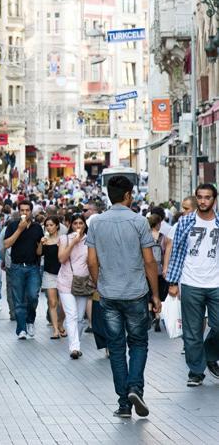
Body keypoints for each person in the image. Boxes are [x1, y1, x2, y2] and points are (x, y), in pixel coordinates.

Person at [86, 175, 160, 419]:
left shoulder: (96, 223)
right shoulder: (139, 222)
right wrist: (155, 295)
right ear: (128, 195)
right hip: (136, 293)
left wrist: (100, 284)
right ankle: (135, 388)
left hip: (109, 294)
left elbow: (92, 261)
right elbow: (149, 261)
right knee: (138, 342)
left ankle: (124, 404)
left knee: (116, 347)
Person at [165, 184, 219, 387]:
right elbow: (177, 252)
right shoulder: (186, 221)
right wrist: (172, 282)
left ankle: (209, 353)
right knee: (192, 330)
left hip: (216, 283)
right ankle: (196, 371)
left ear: (214, 199)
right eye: (200, 197)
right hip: (190, 282)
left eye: (207, 197)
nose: (203, 201)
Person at [2, 200, 44, 339]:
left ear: (31, 212)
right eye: (22, 210)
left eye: (27, 210)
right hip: (17, 267)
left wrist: (42, 244)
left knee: (33, 296)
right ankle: (21, 329)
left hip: (33, 267)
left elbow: (39, 252)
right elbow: (6, 244)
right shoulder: (13, 226)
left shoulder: (37, 227)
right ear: (19, 211)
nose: (24, 213)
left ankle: (30, 321)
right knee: (18, 300)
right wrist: (20, 229)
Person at [57, 214, 91, 359]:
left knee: (79, 318)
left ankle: (76, 342)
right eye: (75, 223)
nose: (78, 226)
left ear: (85, 225)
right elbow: (61, 258)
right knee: (71, 315)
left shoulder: (90, 240)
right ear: (71, 225)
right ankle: (74, 348)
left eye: (81, 223)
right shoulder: (65, 239)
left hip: (83, 282)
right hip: (66, 281)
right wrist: (73, 243)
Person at [39, 215, 64, 339]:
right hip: (49, 273)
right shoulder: (45, 240)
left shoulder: (62, 239)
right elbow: (38, 253)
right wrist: (41, 243)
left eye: (51, 225)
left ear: (57, 226)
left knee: (63, 304)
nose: (49, 227)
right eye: (47, 225)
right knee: (52, 302)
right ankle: (55, 329)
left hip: (63, 274)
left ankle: (60, 324)